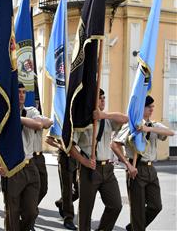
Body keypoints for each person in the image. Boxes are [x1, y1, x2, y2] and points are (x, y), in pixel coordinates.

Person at [68, 88, 134, 231]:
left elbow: (126, 119)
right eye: (100, 98)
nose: (103, 100)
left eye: (104, 97)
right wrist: (84, 161)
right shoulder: (83, 121)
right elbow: (70, 147)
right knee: (85, 211)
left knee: (115, 205)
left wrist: (104, 115)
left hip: (108, 170)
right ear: (92, 101)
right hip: (89, 170)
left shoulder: (107, 119)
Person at [111, 95, 175, 231]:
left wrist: (149, 129)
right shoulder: (131, 126)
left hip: (151, 170)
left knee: (156, 206)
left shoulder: (154, 125)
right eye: (148, 107)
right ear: (141, 108)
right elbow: (114, 145)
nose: (152, 109)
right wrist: (128, 166)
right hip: (136, 168)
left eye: (152, 107)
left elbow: (171, 133)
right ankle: (137, 227)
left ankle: (134, 227)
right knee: (137, 209)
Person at [0, 82, 43, 231]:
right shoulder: (0, 117)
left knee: (31, 212)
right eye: (18, 92)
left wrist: (15, 118)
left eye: (24, 92)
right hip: (11, 169)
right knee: (12, 213)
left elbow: (39, 125)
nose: (22, 95)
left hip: (30, 166)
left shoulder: (30, 112)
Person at [45, 137, 79, 230]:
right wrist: (60, 146)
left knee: (79, 190)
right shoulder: (61, 122)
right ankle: (68, 219)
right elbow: (48, 140)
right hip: (66, 158)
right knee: (67, 190)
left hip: (79, 158)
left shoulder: (81, 122)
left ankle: (61, 202)